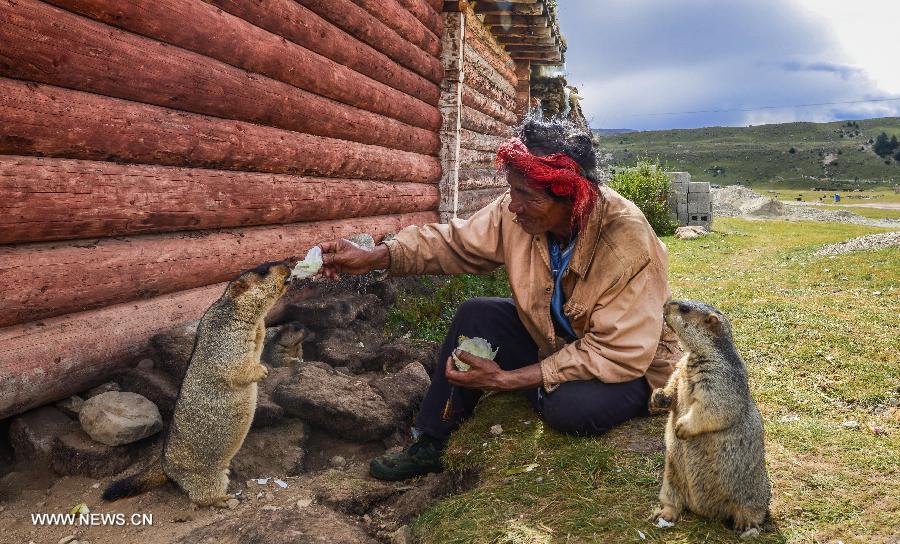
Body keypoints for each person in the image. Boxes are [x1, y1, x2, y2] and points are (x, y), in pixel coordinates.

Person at [318, 116, 681, 481]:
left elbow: (618, 352)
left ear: (570, 196)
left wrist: (507, 380)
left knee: (569, 408)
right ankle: (433, 440)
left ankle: (553, 391)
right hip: (557, 340)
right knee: (476, 315)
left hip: (633, 365)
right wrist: (375, 256)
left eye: (527, 196)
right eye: (512, 190)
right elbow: (454, 244)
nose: (513, 206)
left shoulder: (626, 241)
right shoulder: (520, 215)